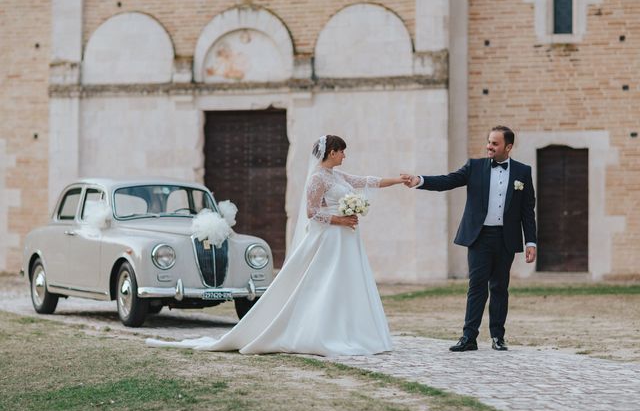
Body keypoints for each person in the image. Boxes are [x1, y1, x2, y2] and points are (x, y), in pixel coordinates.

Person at [148, 135, 405, 356]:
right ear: (332, 152)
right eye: (342, 152)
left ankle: (352, 331)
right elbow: (312, 212)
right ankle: (320, 333)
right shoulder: (317, 179)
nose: (345, 156)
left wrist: (398, 180)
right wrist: (341, 218)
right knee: (325, 283)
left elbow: (364, 181)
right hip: (330, 239)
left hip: (347, 240)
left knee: (348, 283)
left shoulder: (336, 176)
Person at [402, 126, 537, 352]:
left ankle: (498, 337)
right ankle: (468, 338)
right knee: (476, 287)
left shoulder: (523, 172)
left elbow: (527, 210)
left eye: (495, 143)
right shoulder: (474, 167)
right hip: (479, 237)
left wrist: (530, 241)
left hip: (506, 238)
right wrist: (420, 180)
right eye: (488, 142)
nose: (489, 146)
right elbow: (448, 181)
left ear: (509, 147)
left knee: (500, 287)